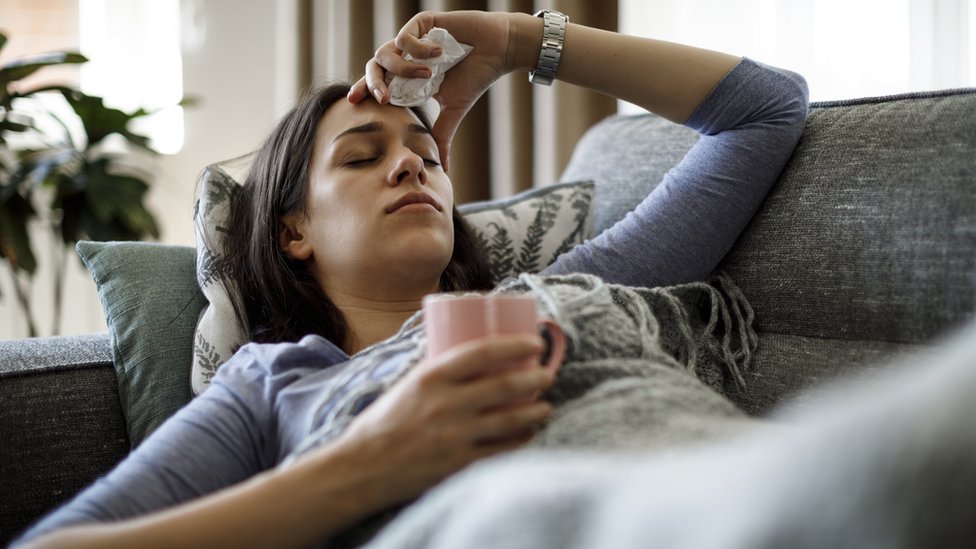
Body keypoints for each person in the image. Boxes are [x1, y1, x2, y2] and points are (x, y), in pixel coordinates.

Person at [14, 9, 808, 548]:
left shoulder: (549, 294)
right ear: (294, 230)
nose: (409, 164)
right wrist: (368, 462)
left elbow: (766, 112)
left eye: (426, 157)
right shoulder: (273, 383)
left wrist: (509, 41)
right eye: (363, 156)